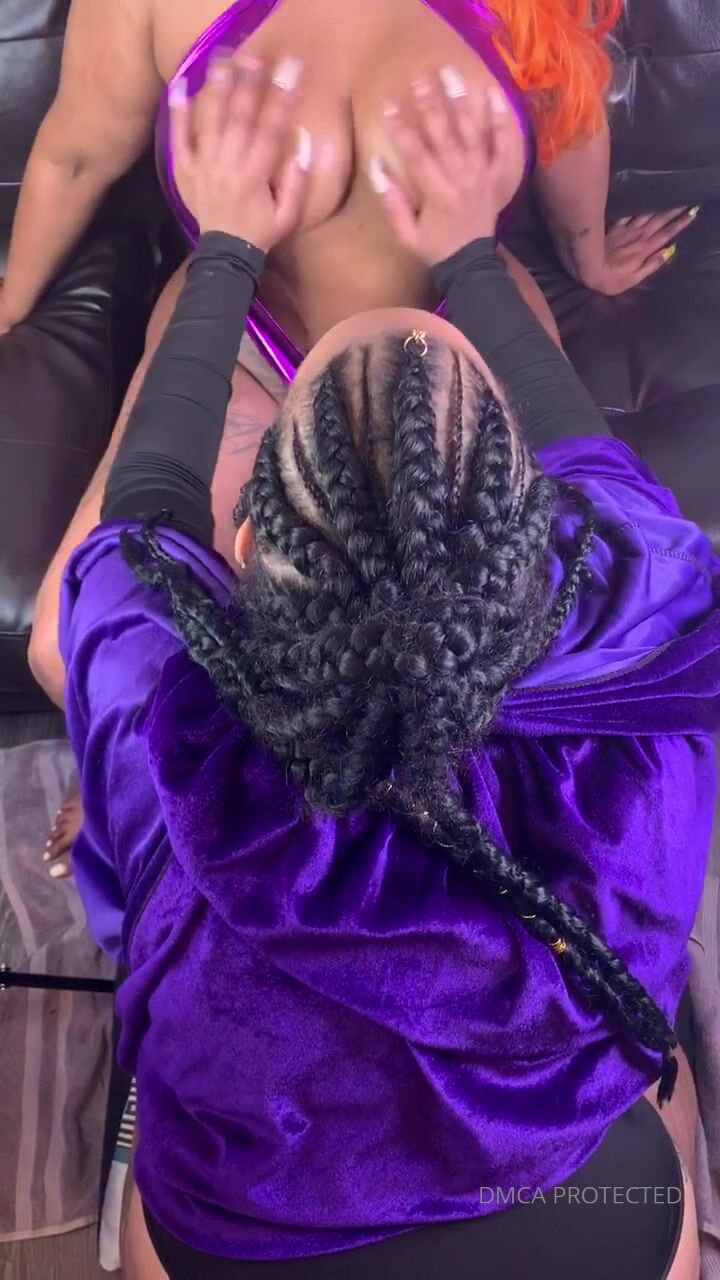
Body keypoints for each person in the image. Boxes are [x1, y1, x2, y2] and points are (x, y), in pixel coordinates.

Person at [48, 56, 716, 1279]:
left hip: (249, 1229)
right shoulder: (655, 667)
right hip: (582, 1217)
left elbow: (133, 523)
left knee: (163, 1178)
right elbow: (604, 470)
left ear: (241, 549)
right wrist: (470, 255)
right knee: (643, 1086)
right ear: (544, 539)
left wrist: (226, 248)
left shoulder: (168, 721)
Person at [28, 0, 696, 876]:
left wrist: (589, 258)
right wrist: (7, 307)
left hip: (455, 329)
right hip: (245, 335)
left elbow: (570, 117)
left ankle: (437, 823)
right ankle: (146, 766)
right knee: (59, 644)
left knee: (524, 635)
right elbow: (74, 154)